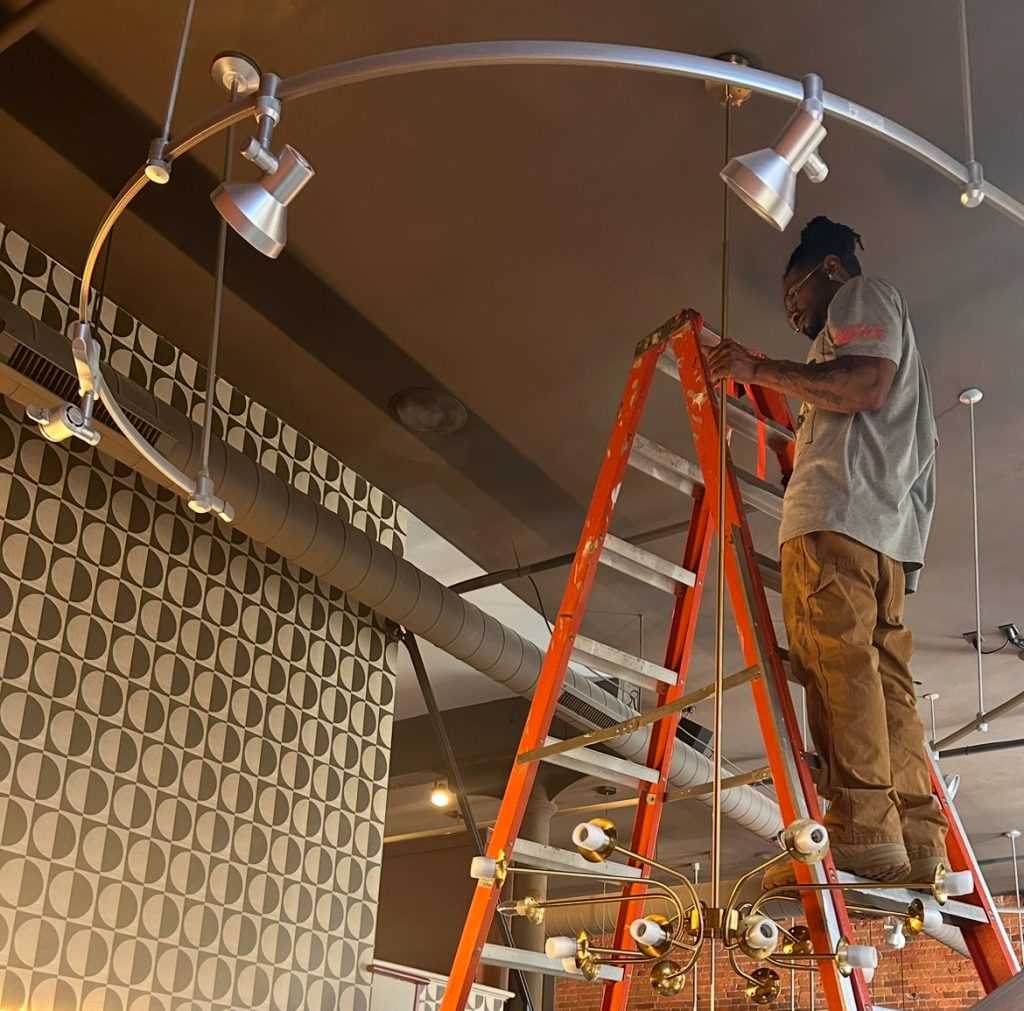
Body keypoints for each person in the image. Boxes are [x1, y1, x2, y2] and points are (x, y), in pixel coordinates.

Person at [706, 216, 947, 885]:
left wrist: (757, 369)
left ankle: (863, 831)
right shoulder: (883, 334)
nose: (793, 313)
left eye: (796, 296)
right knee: (884, 684)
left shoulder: (861, 297)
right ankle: (916, 841)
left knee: (836, 668)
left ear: (832, 269)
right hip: (882, 534)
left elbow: (863, 385)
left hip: (838, 520)